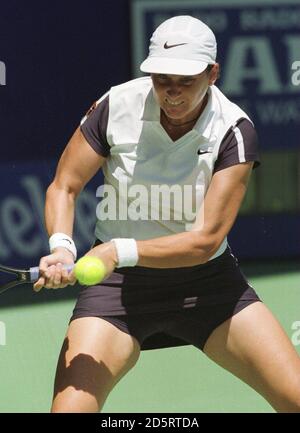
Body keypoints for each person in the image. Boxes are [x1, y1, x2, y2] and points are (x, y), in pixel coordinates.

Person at [34, 15, 300, 413]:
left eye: (185, 81)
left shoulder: (233, 130)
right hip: (117, 290)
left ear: (213, 73)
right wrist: (61, 247)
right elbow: (65, 186)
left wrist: (113, 252)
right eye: (162, 80)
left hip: (209, 286)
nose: (172, 93)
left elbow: (205, 241)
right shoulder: (115, 105)